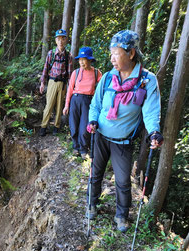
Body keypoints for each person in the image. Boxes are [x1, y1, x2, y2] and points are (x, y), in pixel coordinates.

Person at [87, 30, 163, 233]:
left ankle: (121, 215)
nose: (112, 58)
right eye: (111, 53)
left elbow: (151, 111)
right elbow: (95, 104)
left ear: (131, 54)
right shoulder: (108, 78)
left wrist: (154, 132)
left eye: (116, 53)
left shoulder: (147, 80)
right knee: (95, 173)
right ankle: (92, 204)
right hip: (101, 135)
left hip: (123, 141)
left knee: (122, 181)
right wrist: (93, 120)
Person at [63, 47, 102, 159]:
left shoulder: (96, 73)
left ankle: (83, 149)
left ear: (90, 60)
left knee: (85, 126)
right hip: (75, 99)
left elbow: (102, 87)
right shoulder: (76, 72)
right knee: (74, 125)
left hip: (88, 101)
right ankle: (76, 147)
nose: (81, 62)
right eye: (80, 60)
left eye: (84, 59)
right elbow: (70, 89)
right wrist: (66, 105)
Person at [39, 29, 73, 136]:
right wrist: (42, 83)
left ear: (66, 40)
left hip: (63, 84)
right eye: (58, 39)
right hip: (52, 81)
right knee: (49, 105)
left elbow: (70, 74)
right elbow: (46, 68)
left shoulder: (69, 56)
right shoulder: (51, 53)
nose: (60, 41)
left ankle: (56, 127)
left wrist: (70, 87)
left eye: (63, 38)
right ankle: (43, 126)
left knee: (59, 106)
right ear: (55, 41)